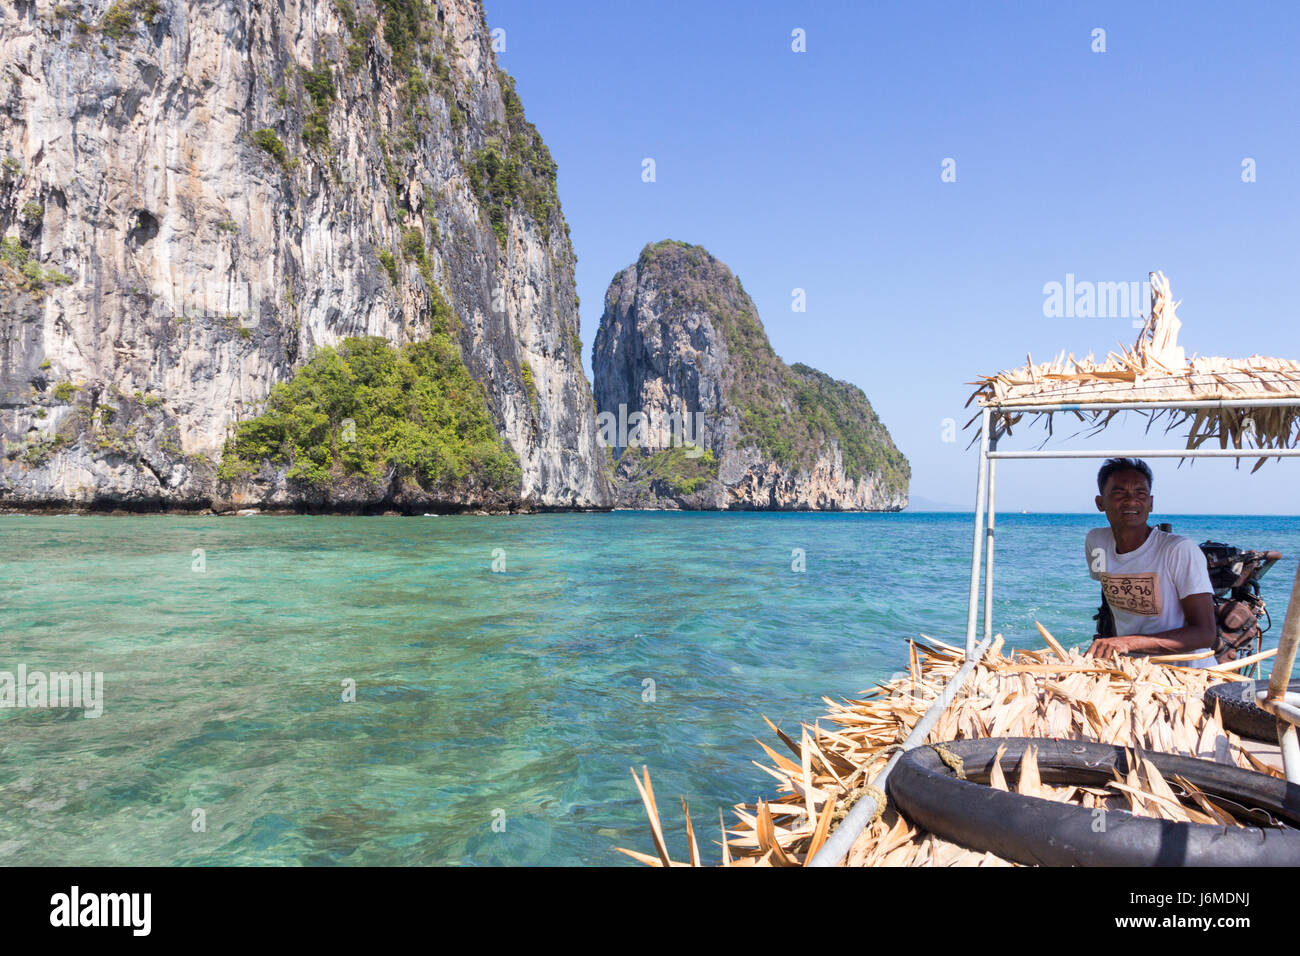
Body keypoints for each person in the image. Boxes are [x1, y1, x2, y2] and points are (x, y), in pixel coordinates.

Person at [1084, 458, 1217, 666]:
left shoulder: (1178, 550)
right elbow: (1107, 598)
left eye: (1140, 494)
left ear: (1151, 503)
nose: (1131, 501)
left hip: (1186, 675)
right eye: (1119, 493)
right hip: (1133, 671)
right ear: (1100, 503)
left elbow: (1205, 634)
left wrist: (1128, 642)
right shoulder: (1096, 542)